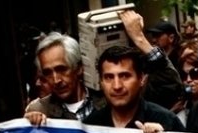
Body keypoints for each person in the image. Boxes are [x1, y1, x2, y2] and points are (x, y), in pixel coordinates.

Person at [25, 11, 183, 124]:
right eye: (47, 73)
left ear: (79, 68)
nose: (56, 80)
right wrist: (29, 126)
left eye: (61, 69)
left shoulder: (114, 94)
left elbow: (171, 86)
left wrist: (139, 39)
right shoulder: (40, 110)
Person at [84, 46, 184, 133]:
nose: (117, 86)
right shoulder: (91, 126)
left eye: (124, 76)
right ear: (101, 82)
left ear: (142, 79)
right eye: (109, 77)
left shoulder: (166, 121)